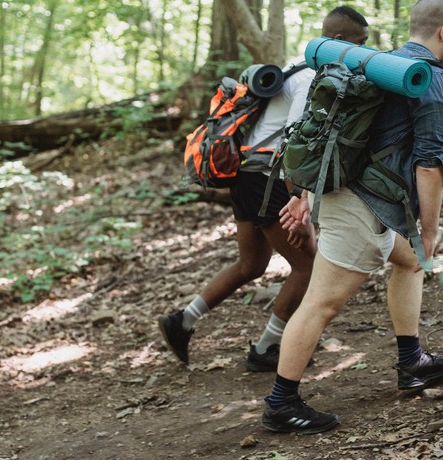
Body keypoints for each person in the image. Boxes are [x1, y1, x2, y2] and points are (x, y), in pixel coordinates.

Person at [260, 0, 443, 434]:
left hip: (350, 196)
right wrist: (430, 229)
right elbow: (430, 163)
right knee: (321, 303)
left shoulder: (384, 65)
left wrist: (309, 197)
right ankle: (281, 402)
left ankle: (412, 362)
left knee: (409, 263)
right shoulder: (430, 79)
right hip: (362, 208)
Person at [158, 6, 370, 372]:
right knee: (308, 265)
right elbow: (294, 145)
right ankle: (267, 348)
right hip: (266, 178)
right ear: (338, 42)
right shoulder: (311, 78)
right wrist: (297, 202)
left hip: (247, 174)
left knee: (252, 264)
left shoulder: (297, 65)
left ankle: (182, 320)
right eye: (361, 44)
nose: (366, 52)